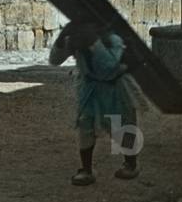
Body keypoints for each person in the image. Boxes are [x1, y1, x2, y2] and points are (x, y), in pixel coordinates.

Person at [49, 20, 141, 185]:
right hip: (89, 86)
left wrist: (94, 43)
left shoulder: (113, 38)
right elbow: (55, 60)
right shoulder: (76, 36)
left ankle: (131, 163)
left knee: (122, 124)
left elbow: (110, 66)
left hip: (115, 87)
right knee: (85, 125)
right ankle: (86, 169)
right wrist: (63, 38)